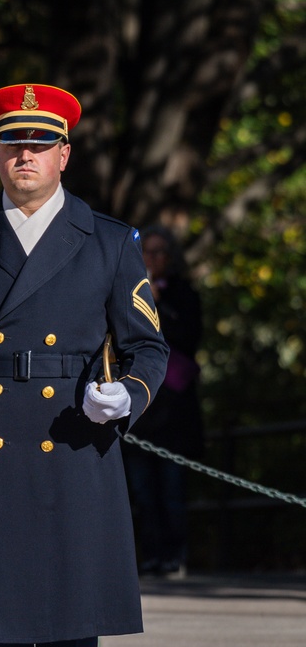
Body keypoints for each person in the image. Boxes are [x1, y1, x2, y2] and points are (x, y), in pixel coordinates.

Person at [0, 83, 170, 647]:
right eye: (12, 144)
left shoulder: (109, 240)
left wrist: (127, 395)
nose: (26, 156)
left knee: (70, 639)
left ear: (64, 155)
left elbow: (149, 347)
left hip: (75, 446)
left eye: (41, 143)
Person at [125, 226, 204, 579]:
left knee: (172, 491)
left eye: (160, 252)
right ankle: (152, 555)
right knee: (143, 492)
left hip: (174, 412)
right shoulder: (129, 294)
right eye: (148, 252)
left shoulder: (184, 295)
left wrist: (161, 307)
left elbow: (190, 339)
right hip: (142, 411)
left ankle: (176, 556)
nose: (153, 259)